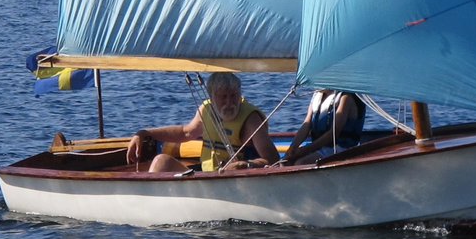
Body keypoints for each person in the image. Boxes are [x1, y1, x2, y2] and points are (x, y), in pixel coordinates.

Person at [125, 71, 280, 173]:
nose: (230, 102)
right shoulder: (206, 110)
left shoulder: (250, 119)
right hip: (205, 176)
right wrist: (145, 133)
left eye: (234, 96)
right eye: (223, 97)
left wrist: (246, 165)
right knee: (161, 161)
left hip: (236, 180)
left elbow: (273, 160)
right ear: (212, 97)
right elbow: (186, 132)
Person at [281, 90, 366, 165]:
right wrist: (292, 147)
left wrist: (306, 149)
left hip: (340, 149)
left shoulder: (346, 98)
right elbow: (306, 126)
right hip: (319, 147)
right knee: (285, 162)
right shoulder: (316, 97)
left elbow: (334, 133)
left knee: (301, 163)